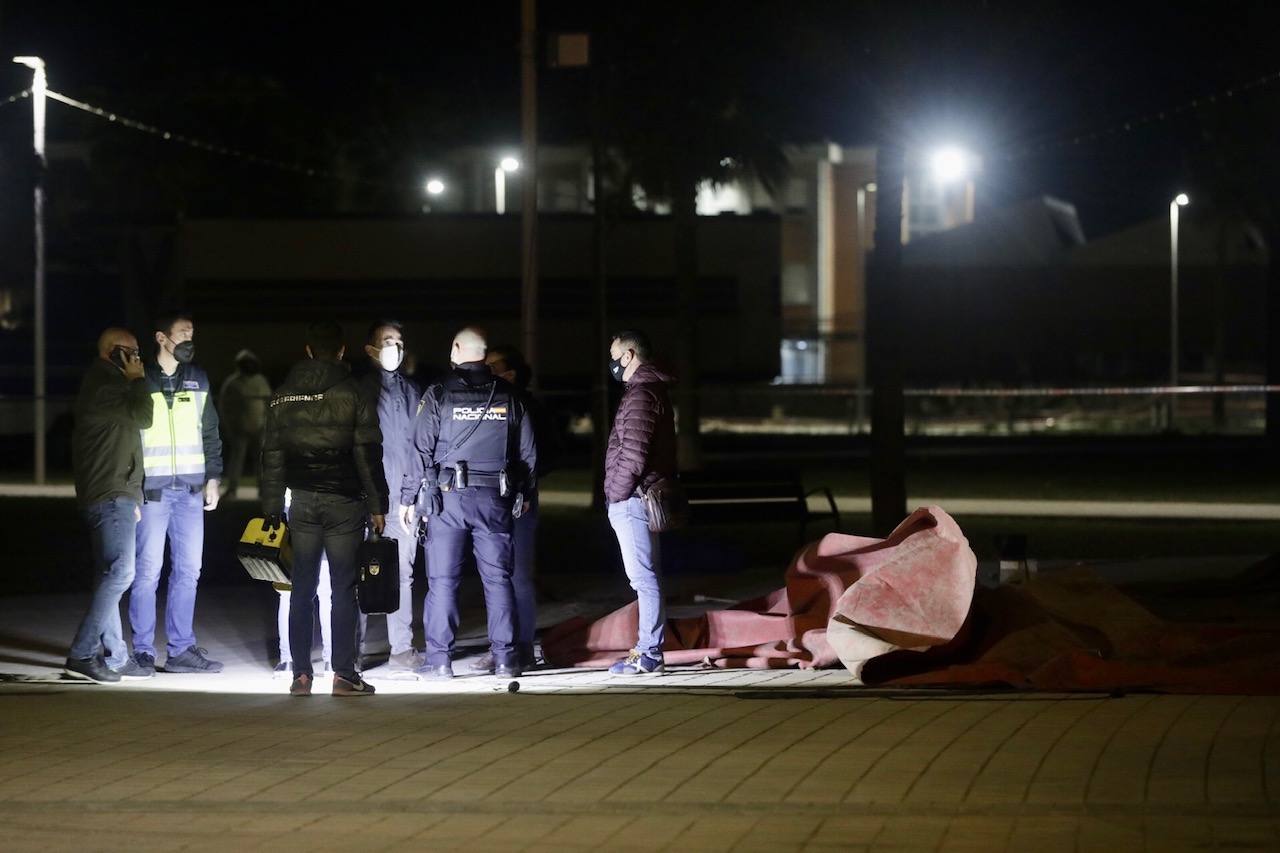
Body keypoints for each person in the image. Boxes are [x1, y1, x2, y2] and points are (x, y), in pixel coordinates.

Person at [399, 327, 536, 679]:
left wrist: (408, 498)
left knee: (443, 581)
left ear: (457, 349)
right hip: (495, 499)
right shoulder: (509, 395)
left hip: (447, 501)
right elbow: (527, 455)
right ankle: (506, 659)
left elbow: (420, 451)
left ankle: (439, 660)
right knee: (498, 580)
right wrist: (522, 494)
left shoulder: (439, 394)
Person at [261, 321, 388, 697]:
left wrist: (271, 507)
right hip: (345, 503)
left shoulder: (282, 396)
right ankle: (344, 675)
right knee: (343, 589)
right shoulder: (354, 392)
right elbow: (367, 453)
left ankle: (301, 675)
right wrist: (377, 503)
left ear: (309, 351)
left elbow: (271, 455)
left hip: (301, 501)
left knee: (301, 587)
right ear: (343, 352)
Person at [127, 312, 224, 677]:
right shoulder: (139, 380)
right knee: (147, 572)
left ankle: (181, 650)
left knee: (188, 571)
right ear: (161, 338)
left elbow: (210, 431)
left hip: (189, 491)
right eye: (182, 333)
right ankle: (142, 652)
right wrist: (131, 487)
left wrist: (213, 478)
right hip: (151, 492)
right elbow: (129, 438)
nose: (189, 339)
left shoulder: (198, 379)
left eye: (192, 333)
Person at [65, 328, 154, 682]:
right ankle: (83, 652)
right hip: (109, 492)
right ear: (110, 352)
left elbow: (126, 440)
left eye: (137, 351)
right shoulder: (106, 386)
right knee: (121, 572)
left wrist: (133, 494)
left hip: (114, 491)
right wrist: (138, 381)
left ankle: (116, 656)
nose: (136, 357)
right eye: (129, 351)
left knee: (110, 572)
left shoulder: (106, 385)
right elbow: (144, 417)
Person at [469, 345, 560, 672]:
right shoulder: (483, 404)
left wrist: (523, 481)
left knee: (517, 576)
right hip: (491, 500)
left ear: (510, 374)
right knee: (496, 577)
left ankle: (520, 648)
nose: (484, 372)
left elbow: (546, 456)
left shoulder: (527, 406)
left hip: (520, 501)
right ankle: (503, 646)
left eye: (492, 367)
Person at [603, 329, 676, 675]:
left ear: (630, 355)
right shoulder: (648, 390)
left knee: (643, 579)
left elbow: (633, 454)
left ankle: (648, 653)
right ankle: (649, 650)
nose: (612, 364)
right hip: (639, 495)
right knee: (648, 577)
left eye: (615, 356)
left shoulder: (641, 395)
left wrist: (616, 493)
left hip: (632, 498)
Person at [357, 320, 423, 674]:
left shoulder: (414, 392)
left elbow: (421, 446)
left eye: (399, 341)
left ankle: (401, 649)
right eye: (387, 341)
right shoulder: (359, 391)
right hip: (367, 501)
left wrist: (414, 495)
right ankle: (353, 651)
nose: (395, 348)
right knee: (360, 575)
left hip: (404, 500)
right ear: (370, 350)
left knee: (403, 575)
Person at [219, 349, 271, 499]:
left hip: (259, 427)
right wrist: (228, 425)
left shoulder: (260, 380)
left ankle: (263, 489)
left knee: (261, 461)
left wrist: (268, 422)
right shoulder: (233, 383)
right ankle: (232, 489)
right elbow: (224, 406)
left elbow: (268, 403)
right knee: (237, 460)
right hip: (239, 429)